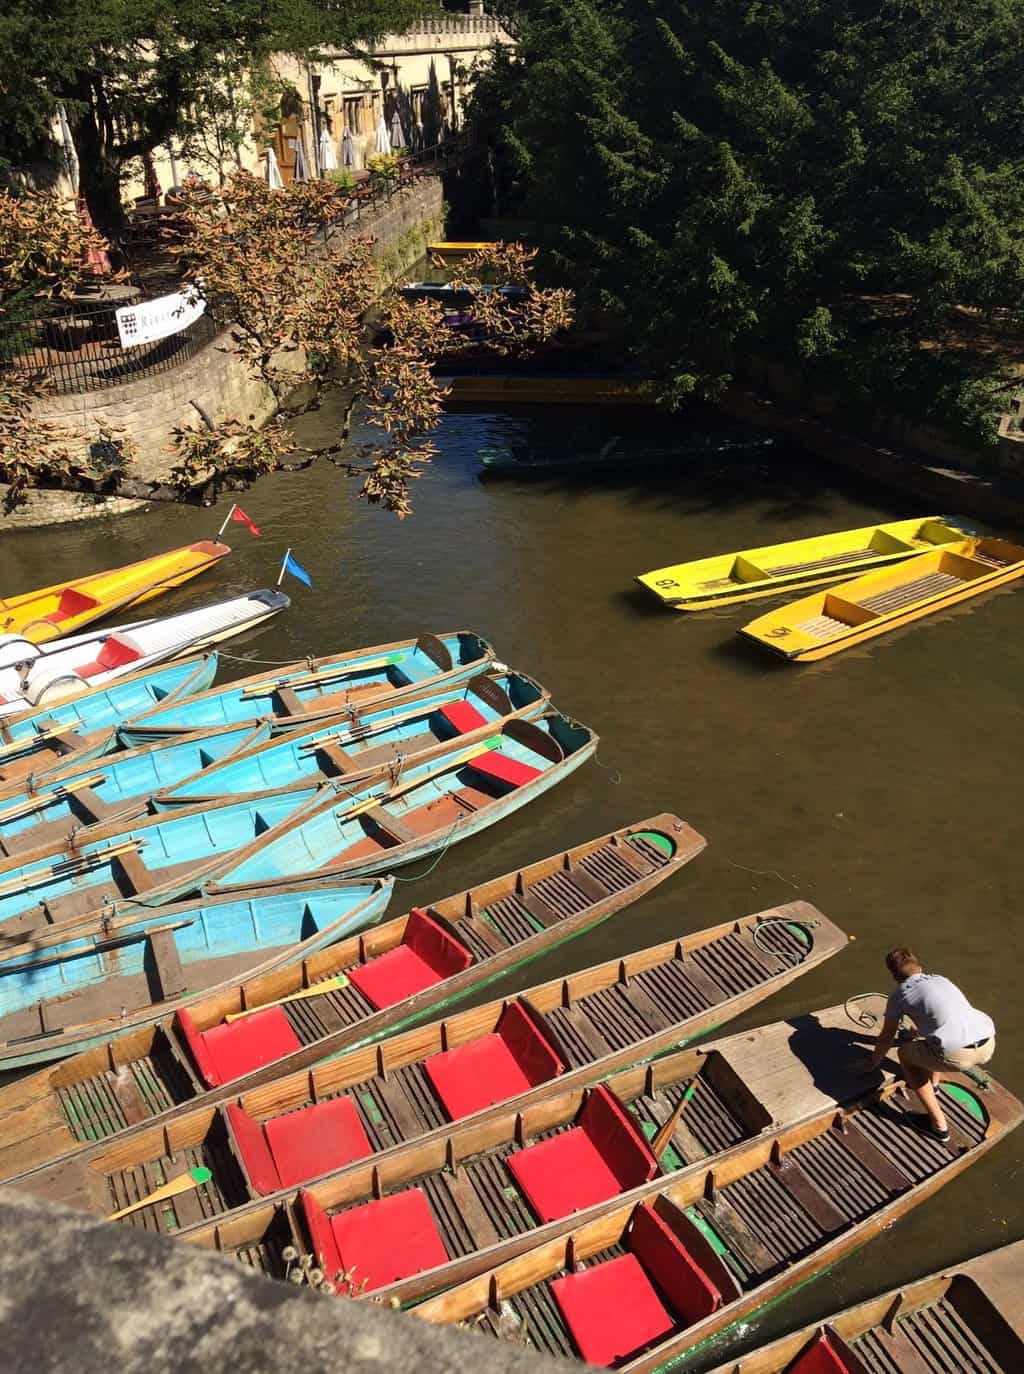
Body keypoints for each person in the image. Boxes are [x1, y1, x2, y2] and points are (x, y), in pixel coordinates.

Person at [861, 948, 995, 1143]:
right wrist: (915, 1033)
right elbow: (939, 1016)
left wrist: (873, 1062)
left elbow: (886, 1038)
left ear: (893, 975)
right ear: (920, 968)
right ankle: (935, 1085)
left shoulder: (899, 995)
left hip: (957, 1053)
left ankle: (939, 1127)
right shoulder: (941, 979)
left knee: (905, 1056)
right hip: (988, 1041)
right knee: (931, 1044)